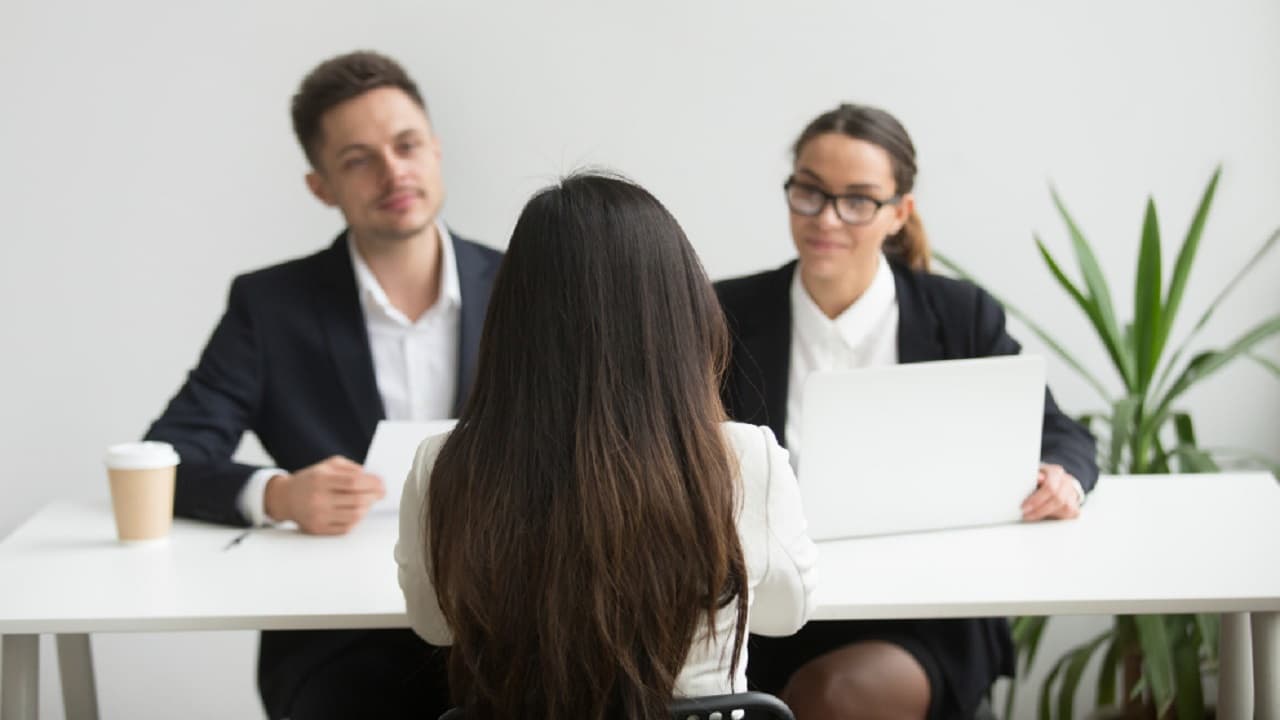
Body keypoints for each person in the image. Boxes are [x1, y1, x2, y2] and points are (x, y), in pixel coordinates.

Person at [144, 51, 502, 719]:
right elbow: (171, 455)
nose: (394, 171)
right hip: (337, 640)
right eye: (359, 159)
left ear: (436, 149)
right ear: (321, 186)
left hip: (508, 620)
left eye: (406, 145)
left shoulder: (524, 286)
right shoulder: (270, 305)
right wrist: (277, 493)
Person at [715, 104, 1099, 720]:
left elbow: (1060, 431)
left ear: (900, 212)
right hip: (773, 612)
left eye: (858, 200)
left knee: (830, 699)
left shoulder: (960, 315)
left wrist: (1062, 473)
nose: (828, 218)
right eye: (810, 192)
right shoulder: (729, 312)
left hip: (928, 611)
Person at [394, 172, 819, 719]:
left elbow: (434, 623)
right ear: (680, 313)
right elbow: (789, 614)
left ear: (512, 321)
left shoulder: (445, 464)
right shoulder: (743, 459)